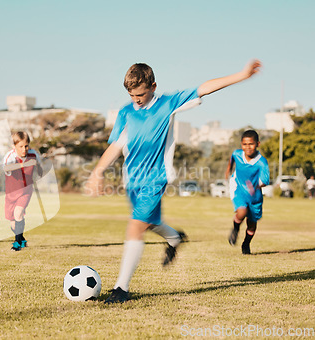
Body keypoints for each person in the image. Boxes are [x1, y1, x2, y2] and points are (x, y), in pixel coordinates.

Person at [85, 59, 262, 303]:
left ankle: (121, 289)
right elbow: (116, 145)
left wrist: (241, 75)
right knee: (148, 223)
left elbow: (204, 88)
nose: (136, 99)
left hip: (156, 178)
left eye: (141, 94)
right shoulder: (125, 113)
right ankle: (175, 238)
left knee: (136, 226)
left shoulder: (168, 103)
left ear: (153, 86)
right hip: (132, 181)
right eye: (131, 94)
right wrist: (98, 171)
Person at [225, 130, 269, 255]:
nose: (248, 147)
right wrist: (228, 170)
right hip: (238, 188)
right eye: (245, 144)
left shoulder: (262, 162)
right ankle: (235, 230)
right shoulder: (237, 154)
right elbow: (232, 159)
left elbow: (265, 180)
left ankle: (246, 244)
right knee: (241, 211)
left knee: (251, 224)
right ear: (241, 144)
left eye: (251, 144)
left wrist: (255, 185)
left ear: (258, 144)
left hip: (255, 196)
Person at [3, 131, 42, 251]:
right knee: (13, 223)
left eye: (26, 146)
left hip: (26, 190)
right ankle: (22, 239)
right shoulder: (10, 157)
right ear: (14, 146)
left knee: (18, 212)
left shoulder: (33, 154)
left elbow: (39, 165)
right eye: (20, 146)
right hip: (11, 193)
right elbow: (6, 168)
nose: (24, 149)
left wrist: (39, 171)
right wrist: (23, 165)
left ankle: (17, 244)